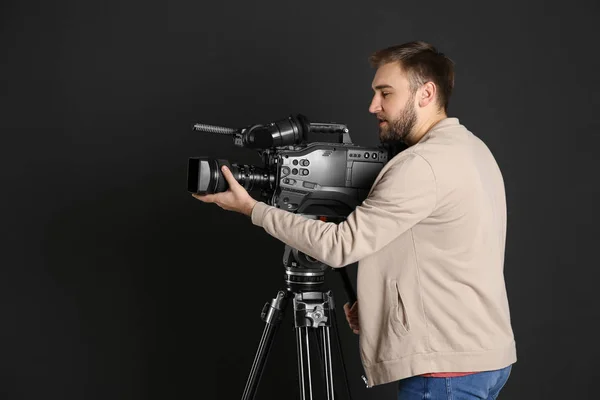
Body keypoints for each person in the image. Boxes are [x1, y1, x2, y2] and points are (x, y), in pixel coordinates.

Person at [192, 40, 517, 399]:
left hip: (445, 371)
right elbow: (444, 252)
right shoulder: (471, 148)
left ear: (426, 93)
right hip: (484, 355)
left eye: (385, 93)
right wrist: (382, 307)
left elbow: (340, 246)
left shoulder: (421, 164)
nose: (373, 106)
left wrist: (253, 210)